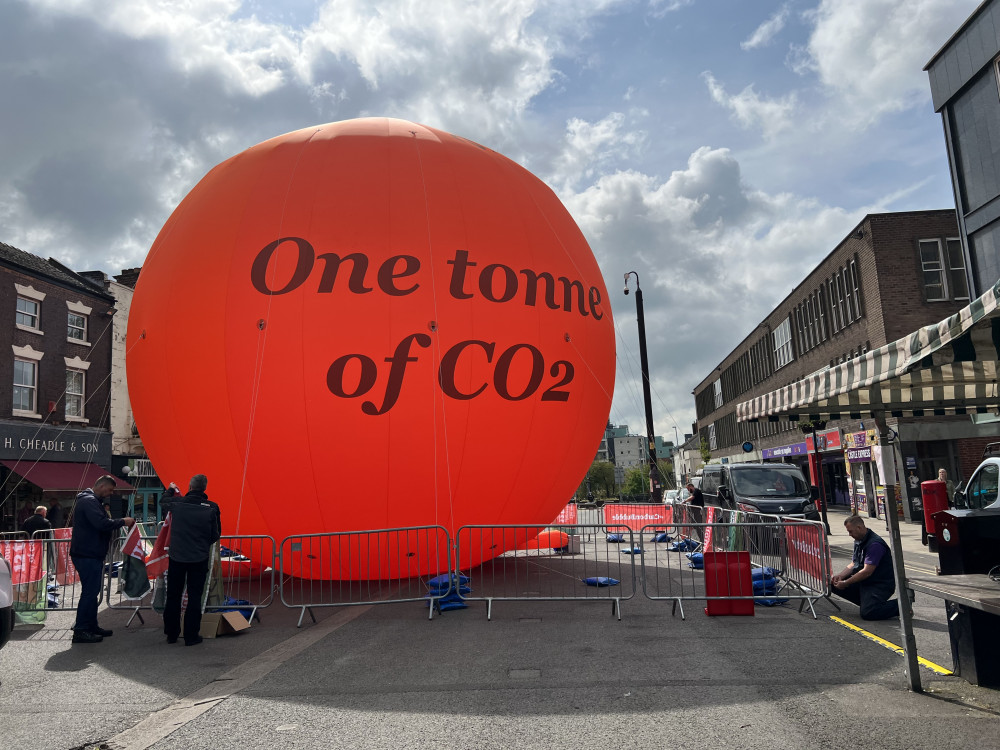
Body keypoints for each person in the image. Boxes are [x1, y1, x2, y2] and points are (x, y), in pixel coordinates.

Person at [69, 476, 135, 644]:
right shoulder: (89, 501)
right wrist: (122, 521)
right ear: (102, 485)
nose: (111, 493)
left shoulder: (90, 501)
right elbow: (101, 523)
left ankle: (91, 625)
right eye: (110, 490)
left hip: (90, 553)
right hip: (87, 553)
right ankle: (81, 629)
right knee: (90, 592)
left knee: (92, 592)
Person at [162, 474, 221, 646]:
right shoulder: (212, 507)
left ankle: (171, 634)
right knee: (195, 596)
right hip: (199, 557)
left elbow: (163, 502)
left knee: (173, 595)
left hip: (177, 556)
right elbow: (215, 534)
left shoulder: (176, 504)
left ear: (189, 486)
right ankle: (191, 635)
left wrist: (171, 489)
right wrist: (202, 544)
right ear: (205, 488)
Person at [830, 515, 900, 620]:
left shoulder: (875, 544)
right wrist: (840, 576)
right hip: (865, 582)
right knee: (832, 584)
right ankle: (868, 602)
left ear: (859, 528)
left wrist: (846, 583)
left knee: (868, 613)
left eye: (851, 531)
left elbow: (867, 571)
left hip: (879, 584)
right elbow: (854, 563)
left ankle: (901, 605)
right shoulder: (859, 540)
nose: (850, 535)